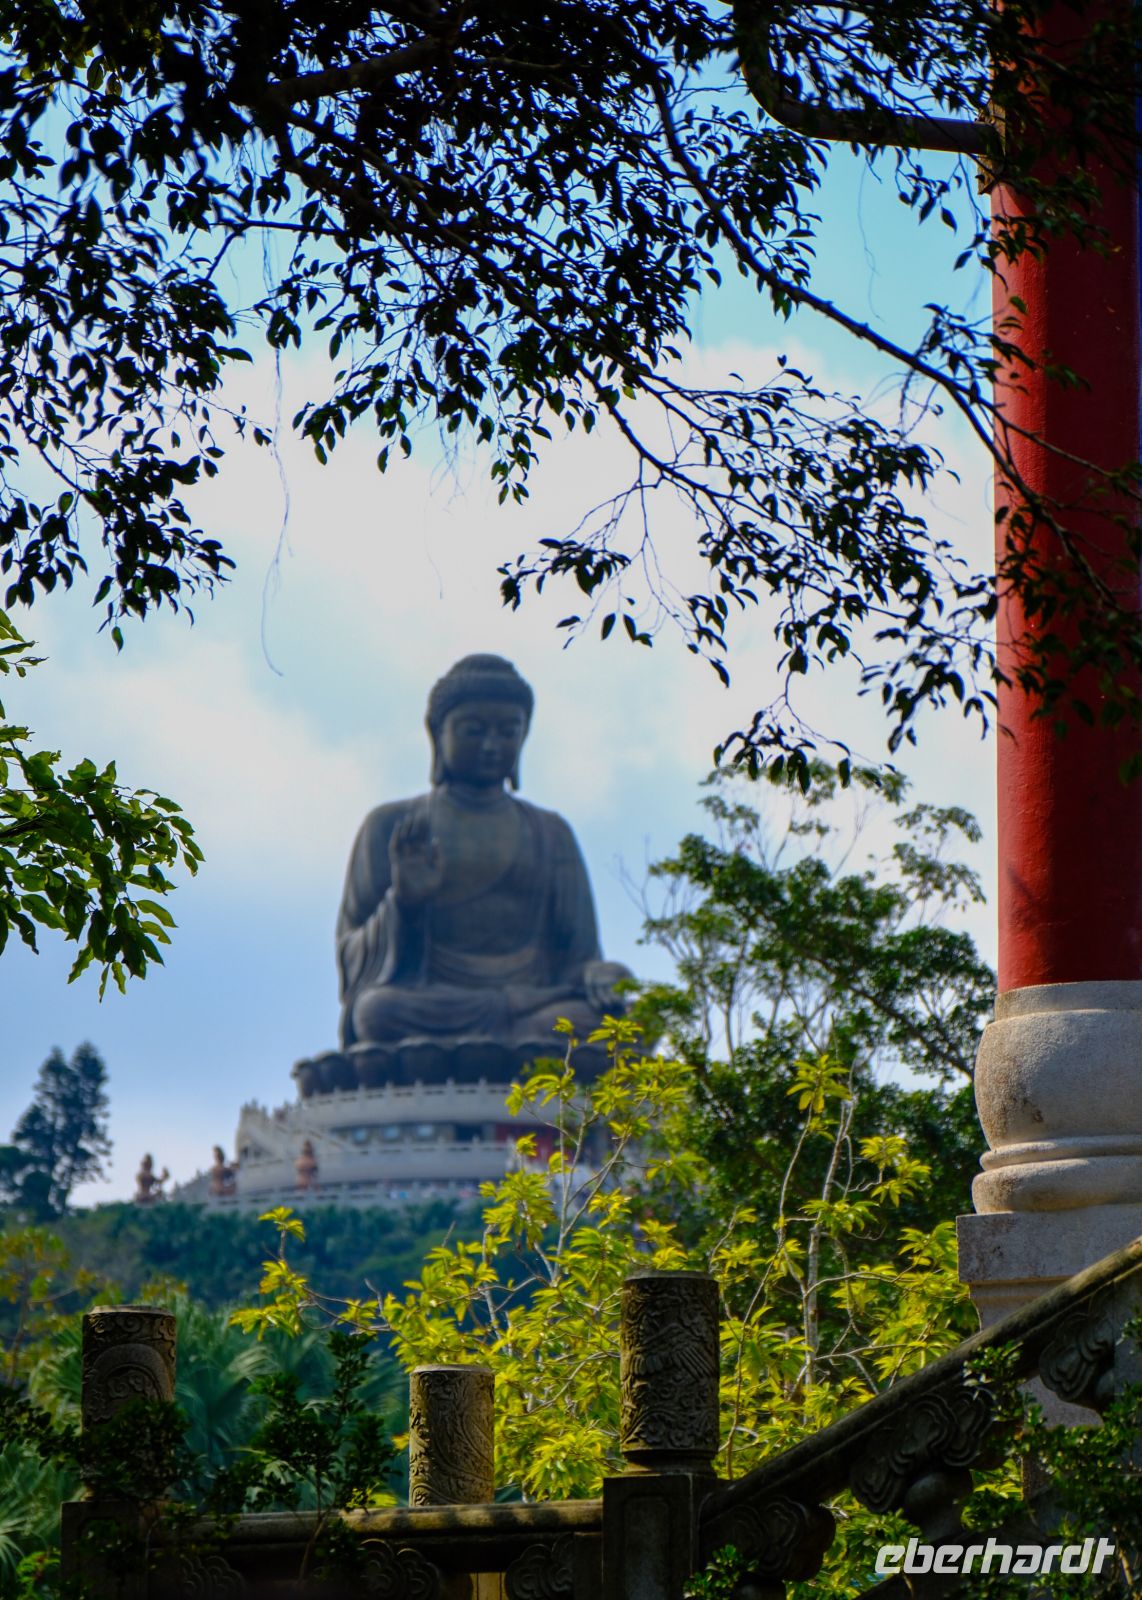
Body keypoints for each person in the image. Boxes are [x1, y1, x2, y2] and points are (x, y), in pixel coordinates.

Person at [334, 654, 629, 1081]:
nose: (492, 745)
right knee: (375, 1012)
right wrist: (406, 903)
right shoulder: (392, 827)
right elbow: (350, 958)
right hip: (431, 1010)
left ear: (524, 737)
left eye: (508, 732)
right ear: (437, 733)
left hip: (535, 1008)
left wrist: (602, 975)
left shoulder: (550, 833)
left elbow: (577, 959)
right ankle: (507, 1045)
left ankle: (509, 1041)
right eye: (474, 731)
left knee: (617, 1025)